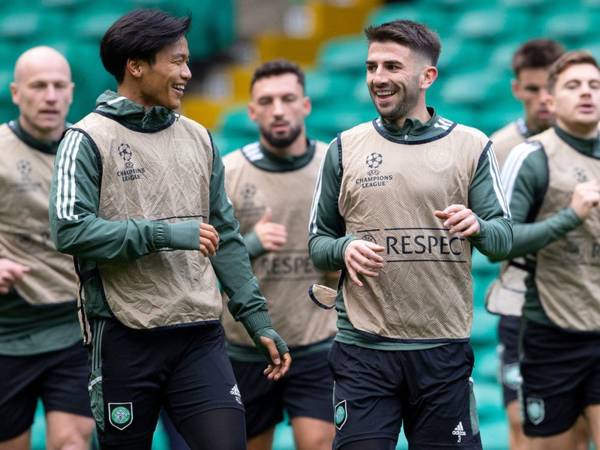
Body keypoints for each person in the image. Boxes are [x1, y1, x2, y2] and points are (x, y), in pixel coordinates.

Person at [48, 9, 291, 450]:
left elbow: (227, 234)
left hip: (199, 334)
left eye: (188, 60)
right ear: (135, 66)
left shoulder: (199, 137)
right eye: (176, 61)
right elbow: (69, 230)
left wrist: (257, 319)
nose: (187, 72)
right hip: (124, 336)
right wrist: (164, 235)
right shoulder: (85, 139)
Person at [308, 20, 512, 450]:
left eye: (392, 67)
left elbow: (503, 239)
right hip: (363, 351)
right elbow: (318, 243)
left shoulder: (472, 145)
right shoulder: (344, 147)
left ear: (427, 76)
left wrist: (478, 227)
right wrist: (344, 248)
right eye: (371, 67)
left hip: (442, 352)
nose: (378, 78)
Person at [222, 59, 336, 450]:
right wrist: (250, 243)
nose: (278, 109)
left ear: (305, 105)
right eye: (266, 101)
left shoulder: (332, 167)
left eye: (287, 98)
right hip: (247, 348)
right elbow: (202, 258)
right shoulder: (229, 172)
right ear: (252, 111)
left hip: (317, 344)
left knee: (319, 443)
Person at [500, 50, 600, 450]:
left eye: (594, 85)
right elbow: (499, 243)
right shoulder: (526, 154)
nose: (587, 93)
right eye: (574, 86)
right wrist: (570, 216)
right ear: (551, 101)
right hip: (549, 327)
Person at [0, 46, 95, 450]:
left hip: (74, 329)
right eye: (39, 86)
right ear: (16, 92)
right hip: (7, 333)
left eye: (59, 86)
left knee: (71, 443)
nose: (50, 96)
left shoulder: (89, 151)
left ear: (72, 92)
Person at [485, 38, 571, 450]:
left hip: (581, 303)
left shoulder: (589, 146)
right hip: (521, 304)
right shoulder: (496, 148)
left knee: (578, 431)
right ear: (517, 89)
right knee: (522, 425)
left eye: (551, 88)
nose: (544, 99)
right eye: (533, 89)